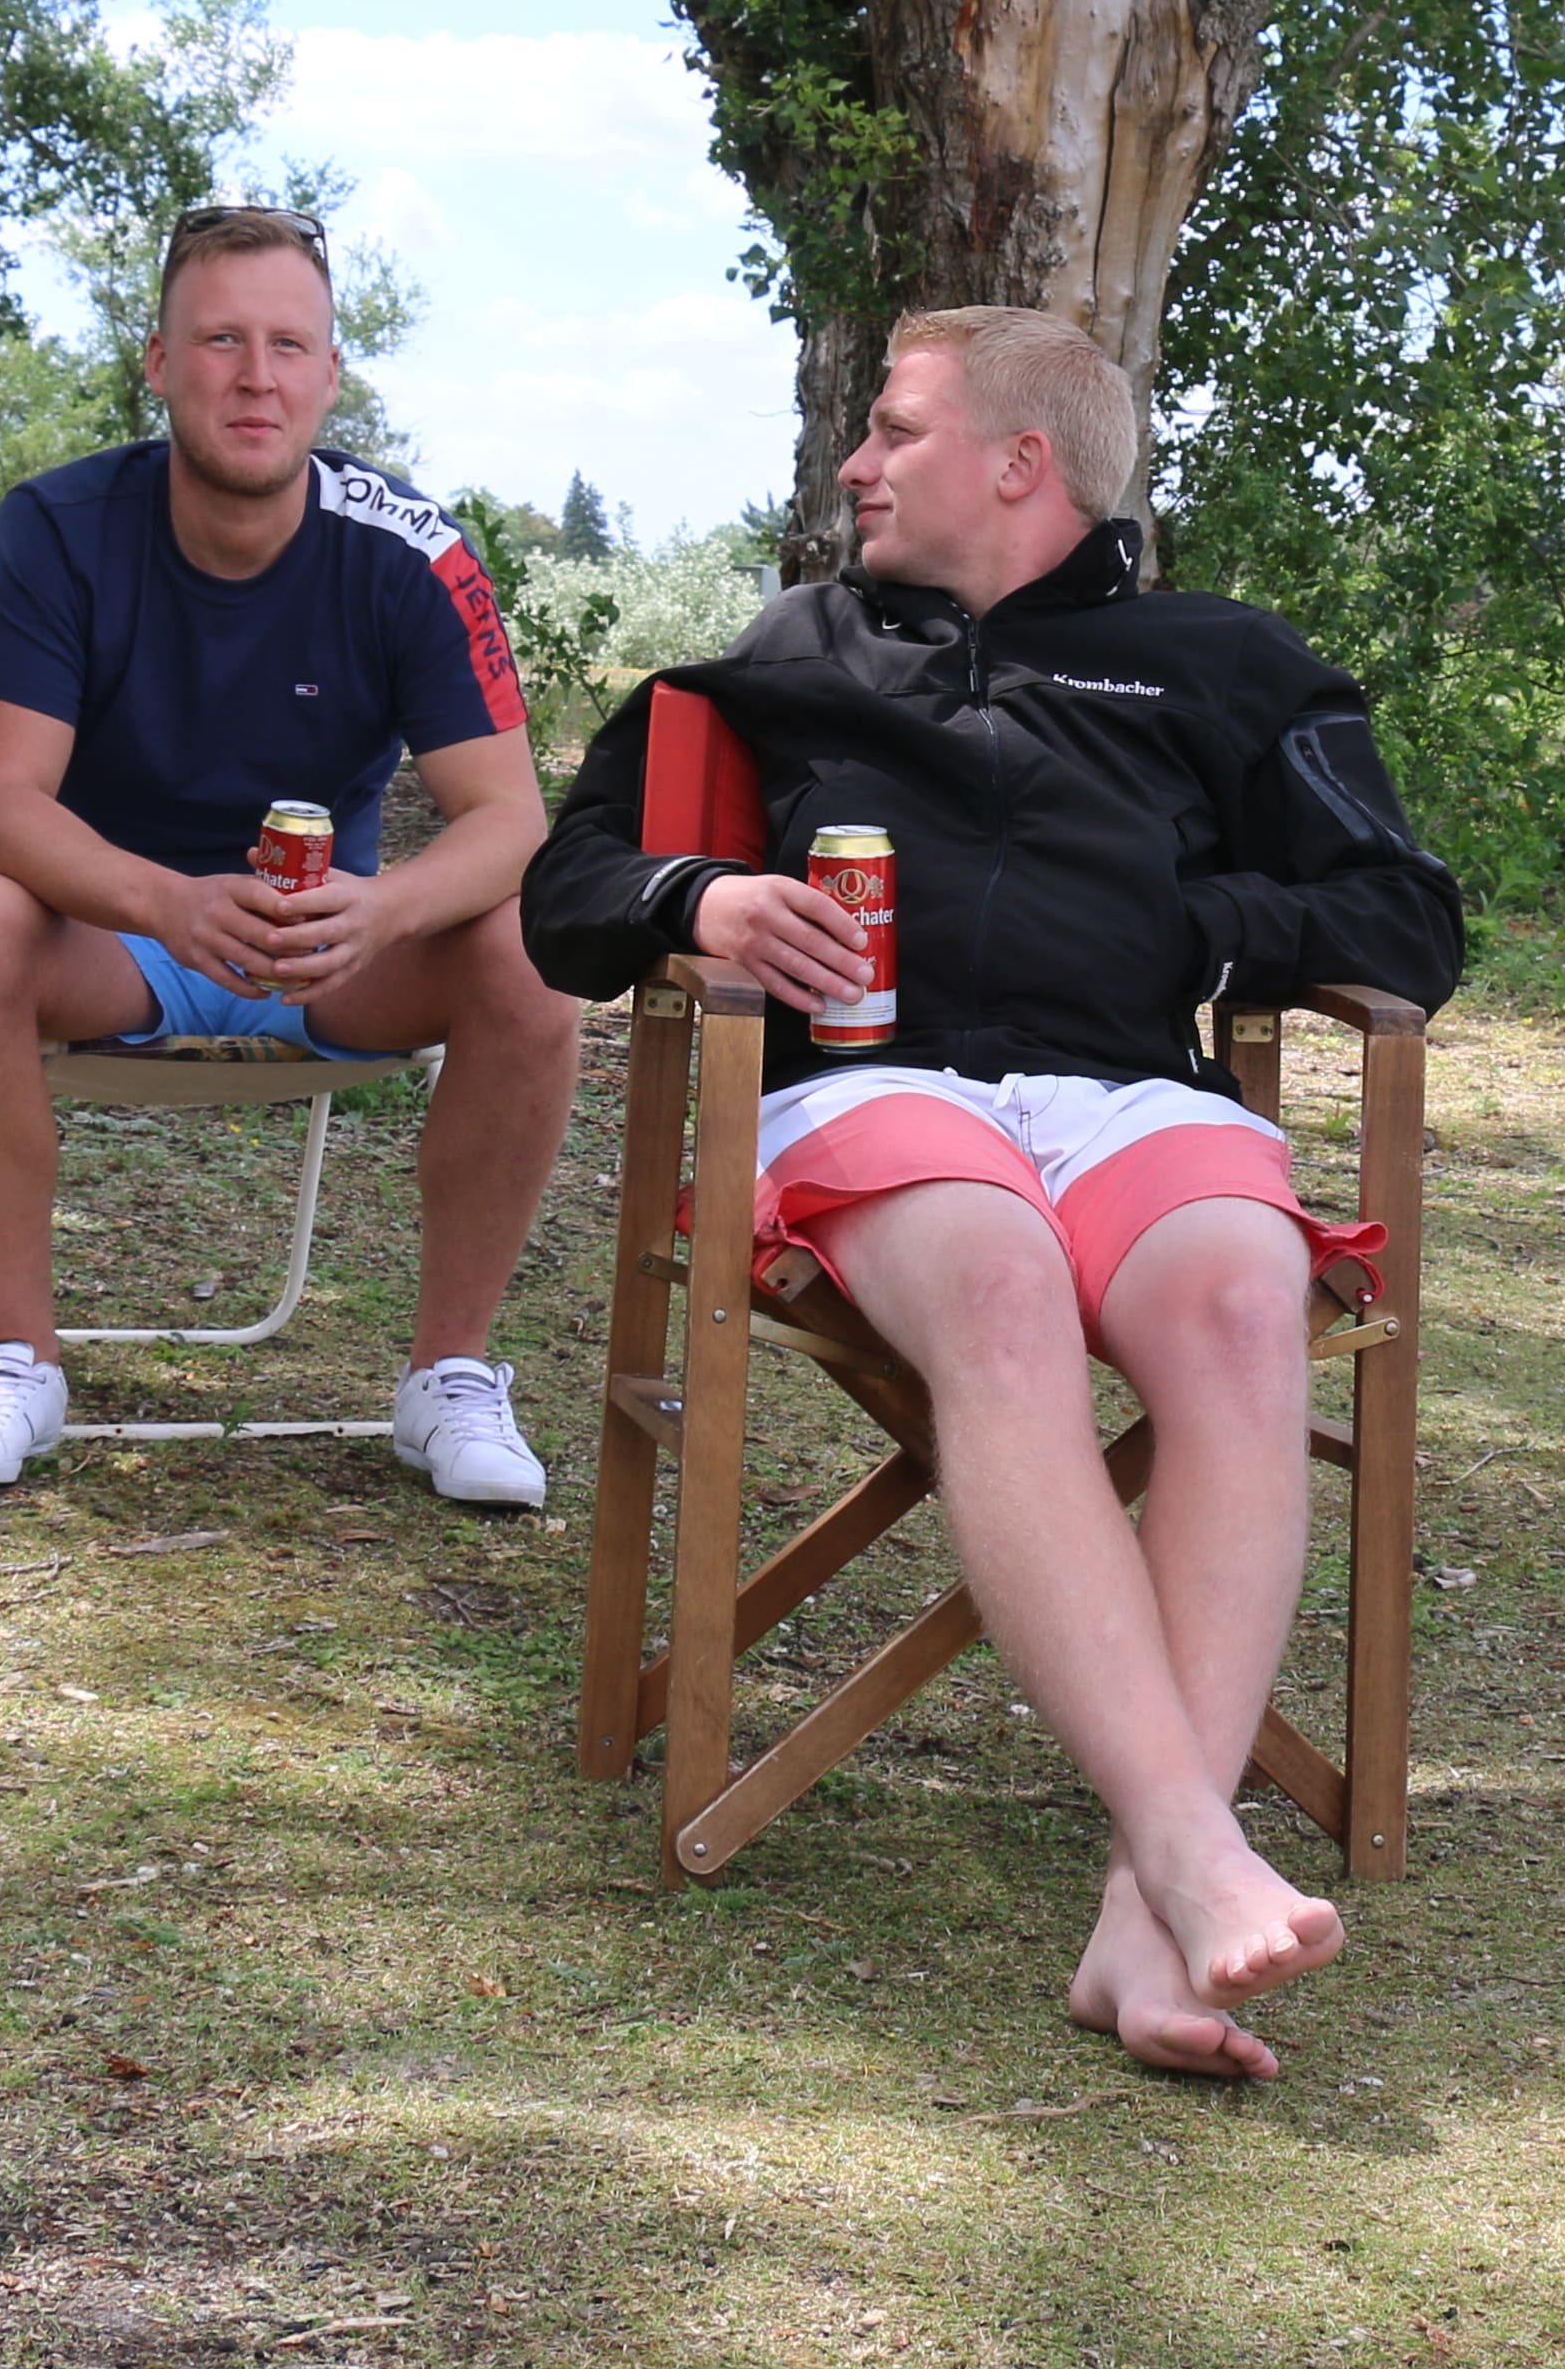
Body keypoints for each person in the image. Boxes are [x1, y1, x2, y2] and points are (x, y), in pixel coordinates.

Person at [521, 307, 1465, 2079]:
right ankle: (1189, 1850)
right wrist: (702, 903)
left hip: (1130, 1096)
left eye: (895, 430)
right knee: (1003, 1286)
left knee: (1246, 1306)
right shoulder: (790, 651)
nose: (856, 463)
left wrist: (1195, 930)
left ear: (1022, 463)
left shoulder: (1229, 666)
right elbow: (565, 888)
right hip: (872, 1091)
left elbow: (1407, 921)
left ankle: (1138, 1923)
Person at [0, 202, 581, 1501]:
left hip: (330, 951)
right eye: (220, 340)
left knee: (530, 950)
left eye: (288, 345)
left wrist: (382, 910)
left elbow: (509, 822)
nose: (255, 377)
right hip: (108, 934)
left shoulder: (414, 550)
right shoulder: (56, 525)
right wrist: (168, 901)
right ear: (160, 363)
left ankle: (450, 1376)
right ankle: (15, 1362)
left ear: (332, 374)